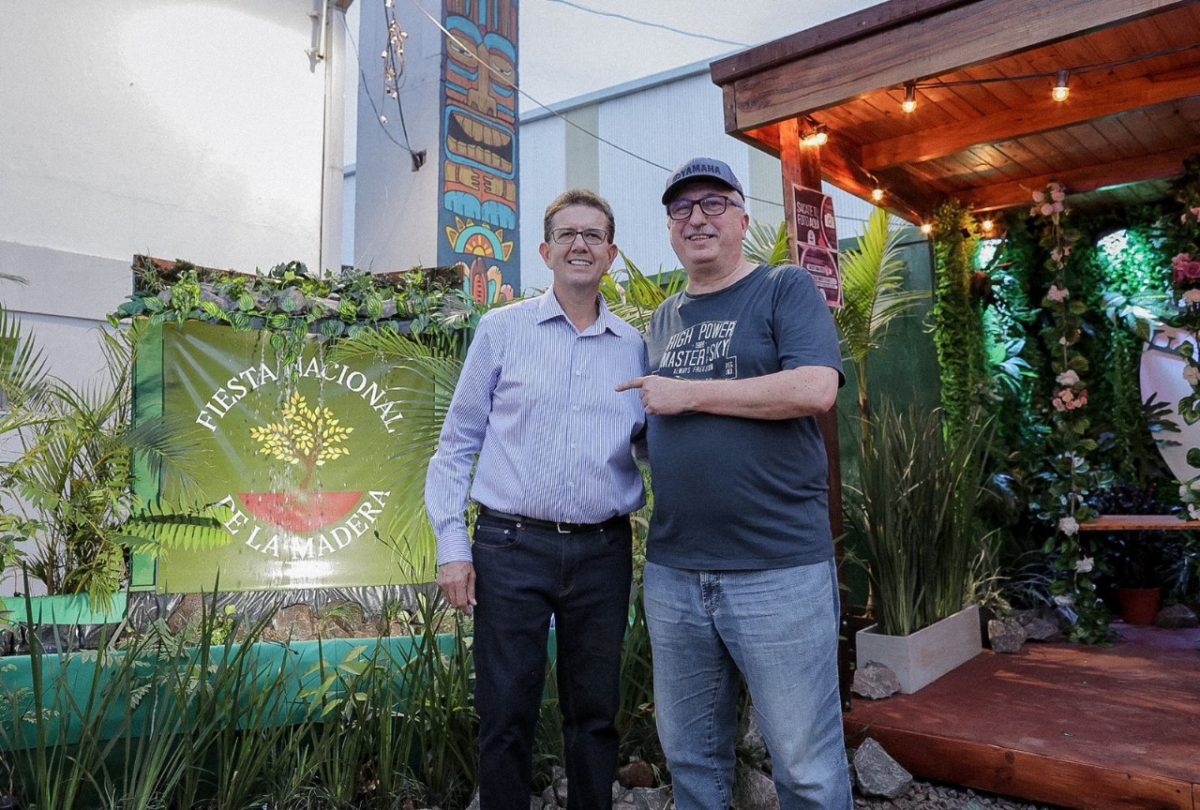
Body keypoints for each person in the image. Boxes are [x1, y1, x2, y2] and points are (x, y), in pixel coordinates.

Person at [617, 157, 852, 809]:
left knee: (804, 767)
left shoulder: (784, 289)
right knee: (691, 760)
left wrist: (688, 395)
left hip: (776, 570)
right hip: (675, 572)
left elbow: (813, 388)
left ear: (745, 220)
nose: (696, 217)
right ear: (669, 229)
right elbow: (653, 421)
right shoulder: (662, 319)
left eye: (713, 203)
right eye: (681, 208)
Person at [426, 188, 647, 810]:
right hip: (510, 547)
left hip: (603, 552)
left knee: (595, 718)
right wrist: (452, 547)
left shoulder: (635, 347)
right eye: (568, 235)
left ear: (611, 253)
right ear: (546, 251)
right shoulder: (501, 332)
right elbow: (455, 447)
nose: (581, 245)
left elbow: (651, 444)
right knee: (505, 717)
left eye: (594, 236)